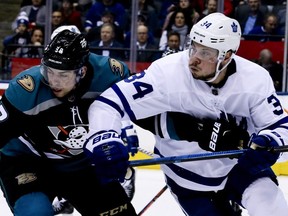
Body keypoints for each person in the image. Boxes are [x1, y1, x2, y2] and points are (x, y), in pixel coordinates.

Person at [85, 12, 288, 216]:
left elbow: (280, 128)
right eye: (193, 47)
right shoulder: (167, 73)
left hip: (240, 169)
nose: (194, 59)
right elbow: (108, 103)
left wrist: (270, 144)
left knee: (274, 210)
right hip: (188, 178)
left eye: (206, 53)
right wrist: (104, 139)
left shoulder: (255, 79)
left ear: (226, 56)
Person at [0, 27, 137, 215]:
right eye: (49, 72)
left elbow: (148, 110)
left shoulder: (111, 75)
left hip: (81, 163)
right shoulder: (25, 89)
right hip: (28, 161)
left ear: (82, 70)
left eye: (63, 75)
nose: (54, 81)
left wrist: (185, 130)